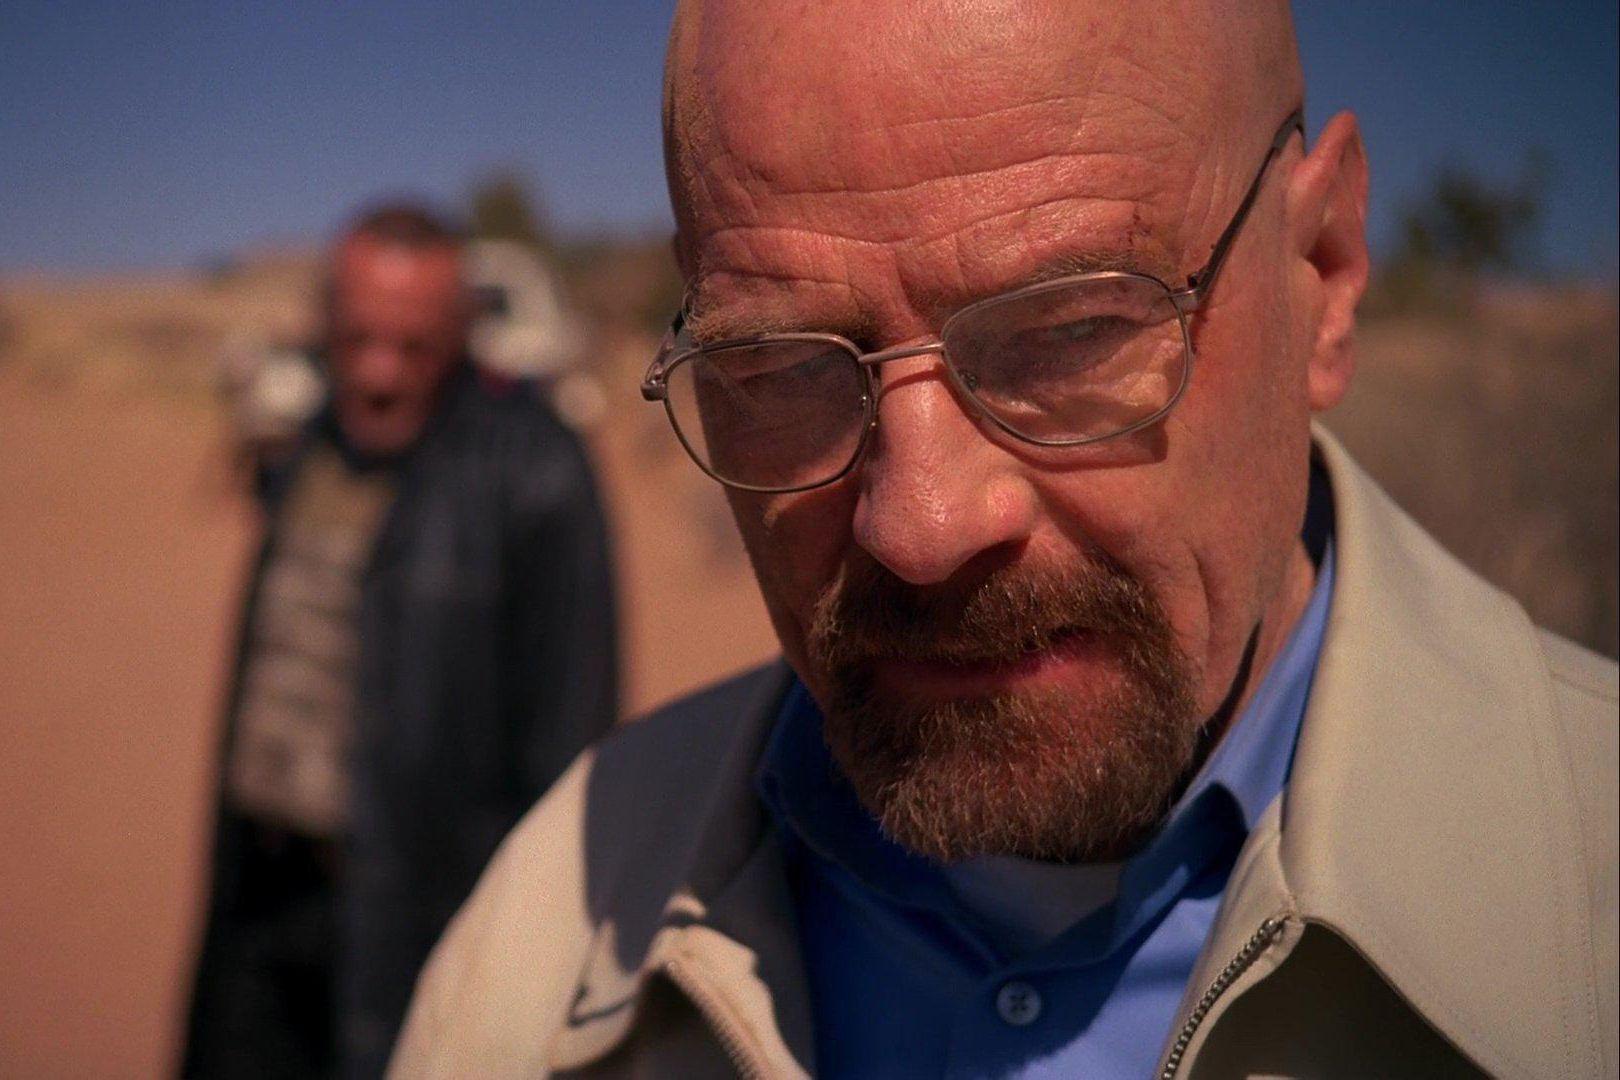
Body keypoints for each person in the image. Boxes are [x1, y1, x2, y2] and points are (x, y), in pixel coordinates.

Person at [391, 3, 1617, 1077]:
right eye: (782, 367)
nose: (921, 526)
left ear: (1324, 273)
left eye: (1071, 331)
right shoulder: (548, 932)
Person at [184, 203, 618, 1079]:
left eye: (412, 347)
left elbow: (570, 743)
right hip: (261, 903)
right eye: (357, 340)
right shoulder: (310, 444)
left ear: (462, 334)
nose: (379, 373)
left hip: (413, 924)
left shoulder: (537, 469)